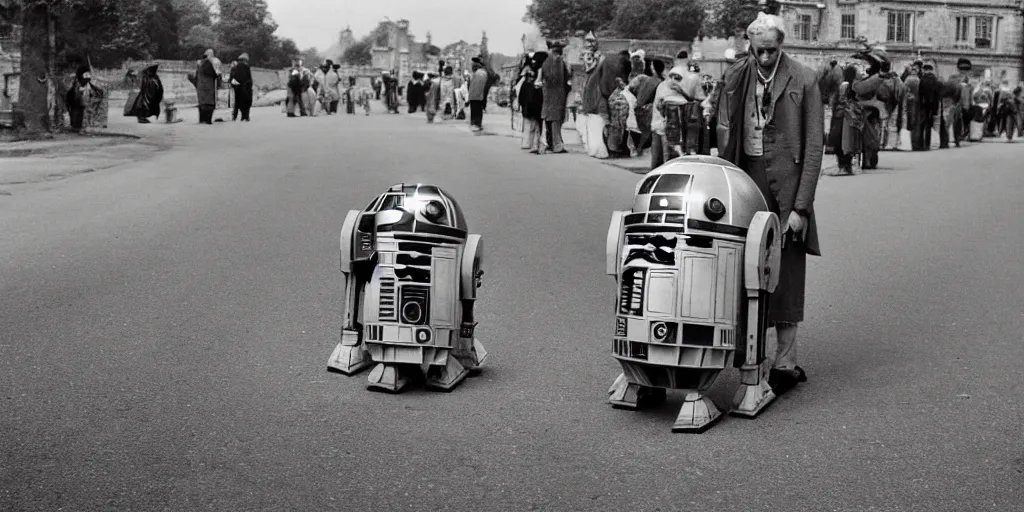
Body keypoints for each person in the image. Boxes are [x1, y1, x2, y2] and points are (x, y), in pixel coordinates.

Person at [714, 12, 824, 395]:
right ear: (750, 46)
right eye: (759, 50)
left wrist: (801, 208)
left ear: (783, 46)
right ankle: (750, 356)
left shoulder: (805, 78)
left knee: (787, 275)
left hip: (788, 190)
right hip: (746, 182)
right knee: (745, 270)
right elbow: (722, 126)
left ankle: (785, 364)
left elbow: (814, 149)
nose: (764, 58)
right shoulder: (736, 76)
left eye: (772, 51)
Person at [540, 40, 572, 154]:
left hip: (548, 93)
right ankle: (557, 145)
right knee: (556, 119)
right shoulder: (557, 60)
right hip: (557, 93)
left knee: (549, 118)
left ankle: (550, 143)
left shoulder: (546, 61)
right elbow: (558, 77)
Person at [517, 52, 545, 152]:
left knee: (533, 123)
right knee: (535, 123)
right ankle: (533, 143)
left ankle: (531, 143)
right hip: (533, 101)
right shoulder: (537, 70)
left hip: (532, 101)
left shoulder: (530, 73)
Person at [66, 65, 104, 133]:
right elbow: (72, 93)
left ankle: (82, 126)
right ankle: (76, 126)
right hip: (76, 102)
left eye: (89, 75)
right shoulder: (76, 84)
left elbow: (96, 91)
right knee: (76, 114)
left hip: (84, 102)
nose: (88, 77)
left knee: (84, 114)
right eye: (86, 75)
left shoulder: (89, 85)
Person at [918, 63, 942, 150]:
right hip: (932, 106)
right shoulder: (936, 80)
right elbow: (937, 95)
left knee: (921, 125)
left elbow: (920, 94)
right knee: (929, 125)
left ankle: (920, 143)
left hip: (924, 105)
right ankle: (927, 144)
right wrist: (935, 108)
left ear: (925, 70)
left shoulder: (922, 80)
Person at [193, 49, 221, 124]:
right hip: (208, 87)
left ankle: (202, 120)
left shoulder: (200, 63)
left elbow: (195, 76)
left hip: (201, 87)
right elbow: (213, 73)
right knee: (209, 104)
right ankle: (208, 121)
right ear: (210, 55)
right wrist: (217, 74)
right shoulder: (207, 62)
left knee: (202, 104)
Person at [230, 53, 253, 122]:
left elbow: (234, 78)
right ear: (245, 60)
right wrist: (249, 85)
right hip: (245, 87)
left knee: (237, 103)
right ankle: (245, 117)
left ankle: (235, 117)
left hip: (238, 87)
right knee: (246, 102)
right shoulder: (246, 66)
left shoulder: (236, 67)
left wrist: (235, 86)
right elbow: (248, 78)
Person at [468, 60, 489, 131]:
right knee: (478, 110)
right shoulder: (483, 73)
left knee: (474, 110)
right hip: (479, 95)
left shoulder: (475, 74)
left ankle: (474, 124)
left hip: (473, 95)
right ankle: (478, 124)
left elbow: (471, 85)